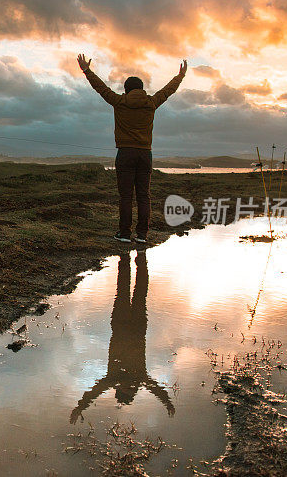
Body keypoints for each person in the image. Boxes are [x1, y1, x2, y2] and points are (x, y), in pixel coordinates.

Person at [78, 54, 187, 243]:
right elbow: (168, 91)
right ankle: (142, 235)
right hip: (145, 154)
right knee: (144, 196)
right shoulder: (151, 103)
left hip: (125, 153)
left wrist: (87, 71)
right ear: (142, 89)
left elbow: (101, 88)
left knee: (126, 196)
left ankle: (125, 233)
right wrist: (180, 76)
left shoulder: (120, 102)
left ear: (126, 90)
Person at [69, 251, 174, 423]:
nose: (129, 386)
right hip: (138, 327)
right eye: (131, 390)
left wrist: (80, 407)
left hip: (120, 324)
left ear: (119, 389)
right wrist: (167, 401)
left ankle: (125, 258)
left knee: (123, 290)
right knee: (140, 292)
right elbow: (155, 388)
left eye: (127, 389)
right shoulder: (139, 377)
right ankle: (141, 259)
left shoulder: (112, 378)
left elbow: (94, 392)